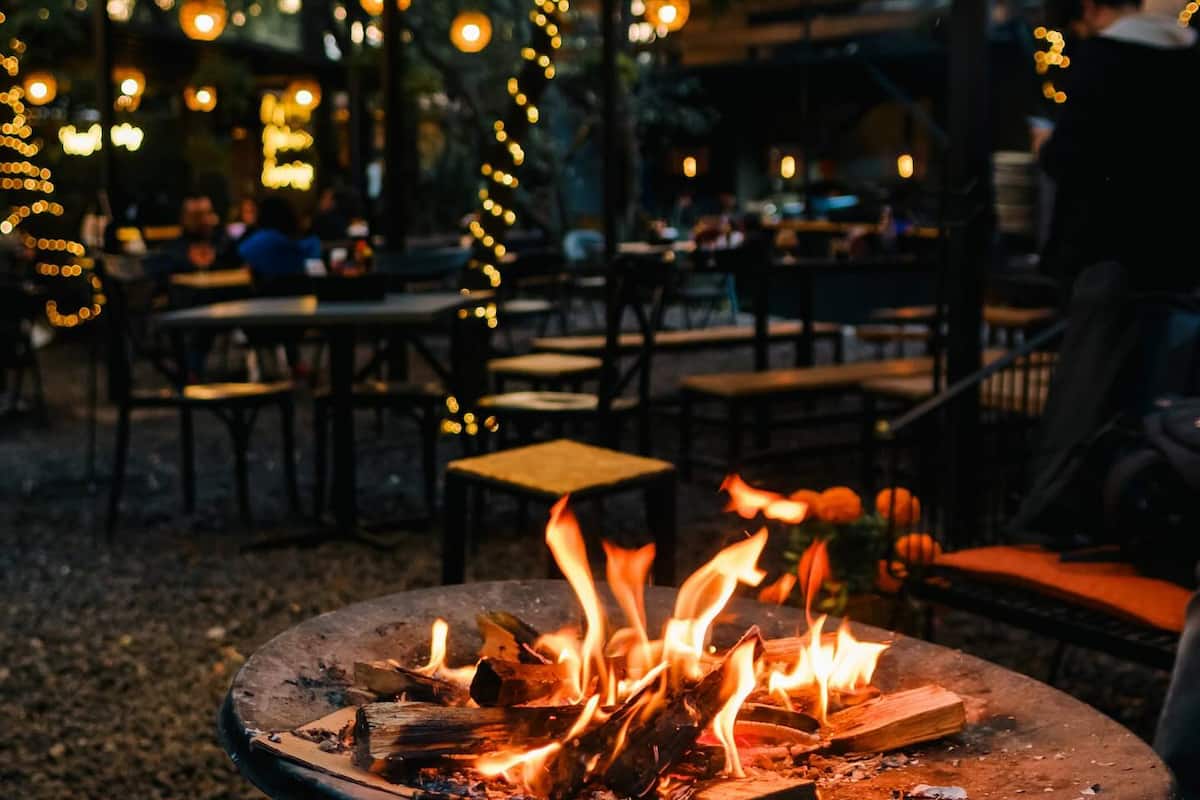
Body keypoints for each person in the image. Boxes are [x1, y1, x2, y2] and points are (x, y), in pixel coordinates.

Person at [1016, 2, 1200, 795]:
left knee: (1091, 392)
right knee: (1156, 407)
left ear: (1100, 11)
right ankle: (1130, 513)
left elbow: (1071, 162)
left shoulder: (1103, 62)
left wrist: (1048, 146)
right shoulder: (1191, 62)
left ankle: (1062, 512)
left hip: (1115, 262)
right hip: (1180, 263)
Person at [237, 195, 320, 279]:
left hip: (266, 291)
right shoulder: (309, 245)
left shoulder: (254, 244)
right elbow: (318, 275)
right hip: (302, 290)